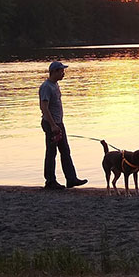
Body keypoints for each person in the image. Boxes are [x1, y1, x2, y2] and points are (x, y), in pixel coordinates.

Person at [38, 61, 87, 190]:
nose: (63, 73)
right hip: (51, 124)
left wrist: (58, 124)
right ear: (54, 72)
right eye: (61, 71)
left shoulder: (55, 85)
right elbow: (44, 107)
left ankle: (71, 179)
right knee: (51, 152)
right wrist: (53, 125)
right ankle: (50, 181)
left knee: (65, 151)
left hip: (58, 123)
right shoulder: (46, 87)